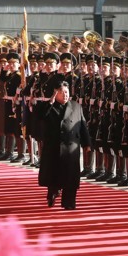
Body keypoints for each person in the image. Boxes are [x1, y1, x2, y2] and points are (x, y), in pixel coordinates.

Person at [38, 81, 91, 210]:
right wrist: (50, 102)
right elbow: (41, 117)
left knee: (71, 177)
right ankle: (53, 193)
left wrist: (87, 144)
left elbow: (82, 125)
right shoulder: (48, 106)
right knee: (54, 175)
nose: (65, 95)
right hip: (54, 147)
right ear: (56, 94)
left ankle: (69, 202)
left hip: (71, 147)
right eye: (62, 93)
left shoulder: (76, 106)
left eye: (66, 92)